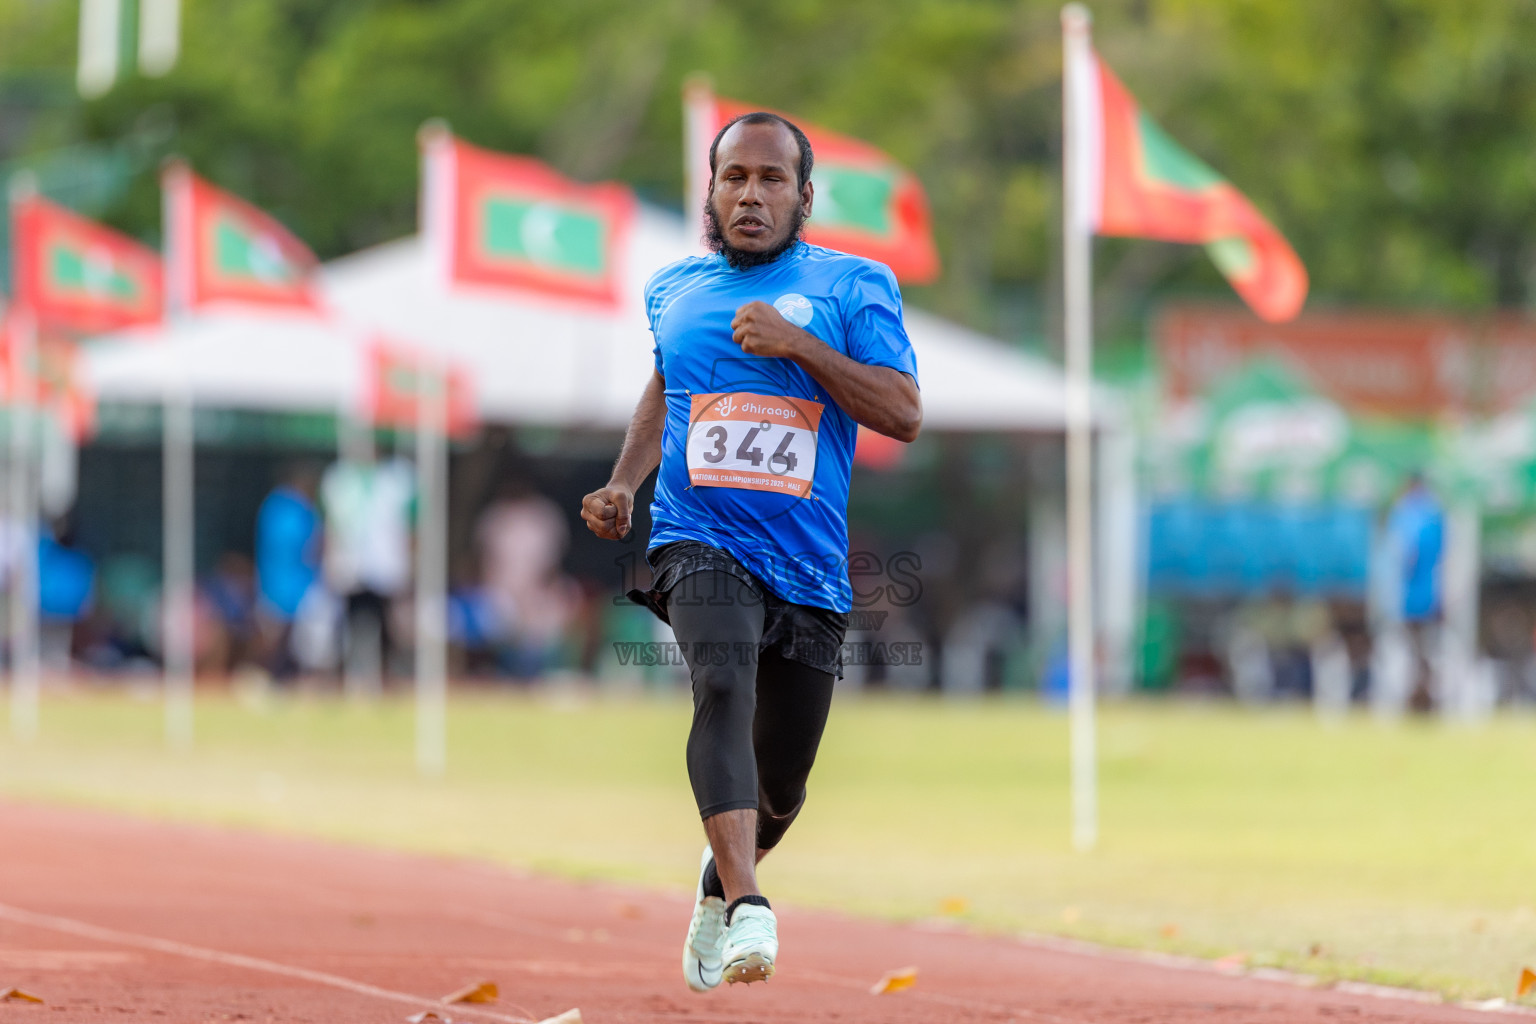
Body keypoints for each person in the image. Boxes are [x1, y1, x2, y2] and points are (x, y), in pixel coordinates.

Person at [579, 111, 920, 991]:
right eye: (735, 178)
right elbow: (666, 385)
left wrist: (800, 345)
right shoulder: (672, 289)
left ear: (805, 198)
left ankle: (718, 878)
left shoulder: (853, 286)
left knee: (786, 787)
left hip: (807, 564)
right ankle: (747, 906)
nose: (751, 196)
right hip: (698, 536)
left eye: (772, 180)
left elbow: (904, 414)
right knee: (722, 677)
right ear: (710, 190)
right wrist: (625, 483)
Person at [1386, 472, 1444, 713]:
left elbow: (1401, 553)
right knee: (1422, 649)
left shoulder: (1407, 513)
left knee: (1416, 649)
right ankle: (1423, 693)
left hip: (1414, 596)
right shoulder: (1433, 513)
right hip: (1429, 593)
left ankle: (1420, 694)